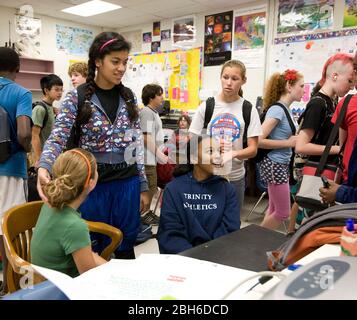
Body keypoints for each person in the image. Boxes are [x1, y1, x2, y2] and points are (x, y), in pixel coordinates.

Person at [37, 32, 149, 260]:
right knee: (93, 250)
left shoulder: (128, 97)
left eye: (125, 62)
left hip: (127, 184)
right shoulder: (76, 98)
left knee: (126, 247)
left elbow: (136, 142)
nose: (121, 68)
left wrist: (143, 184)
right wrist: (44, 165)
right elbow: (57, 137)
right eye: (115, 61)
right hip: (92, 186)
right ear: (98, 61)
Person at [290, 53, 355, 232]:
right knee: (308, 222)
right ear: (335, 75)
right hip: (315, 171)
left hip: (323, 170)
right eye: (349, 80)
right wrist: (338, 150)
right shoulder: (318, 104)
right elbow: (301, 146)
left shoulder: (332, 102)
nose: (352, 86)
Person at [189, 60, 262, 213]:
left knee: (232, 226)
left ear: (243, 81)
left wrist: (233, 153)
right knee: (205, 222)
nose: (228, 83)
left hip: (235, 178)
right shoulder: (207, 106)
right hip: (208, 176)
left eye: (234, 79)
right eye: (225, 77)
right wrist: (210, 150)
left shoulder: (248, 109)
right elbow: (192, 140)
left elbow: (253, 149)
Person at [157, 135, 240, 254]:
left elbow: (230, 230)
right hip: (184, 260)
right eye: (210, 151)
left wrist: (208, 255)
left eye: (219, 151)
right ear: (194, 158)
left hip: (217, 258)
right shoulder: (173, 189)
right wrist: (194, 257)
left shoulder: (227, 190)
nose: (217, 156)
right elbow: (170, 233)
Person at [31, 149, 107, 277]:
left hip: (43, 282)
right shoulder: (75, 226)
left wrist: (110, 268)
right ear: (91, 183)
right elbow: (91, 279)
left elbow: (84, 252)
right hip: (61, 291)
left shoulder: (50, 204)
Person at [0, 47, 32, 295]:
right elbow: (23, 133)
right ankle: (13, 283)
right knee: (11, 227)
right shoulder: (20, 93)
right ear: (17, 68)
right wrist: (29, 148)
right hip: (11, 168)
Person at [258, 69, 304, 230]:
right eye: (301, 86)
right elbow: (259, 140)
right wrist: (288, 143)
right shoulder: (277, 109)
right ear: (289, 87)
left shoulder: (285, 109)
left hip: (279, 163)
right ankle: (252, 241)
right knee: (283, 213)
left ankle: (259, 244)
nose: (304, 90)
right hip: (274, 163)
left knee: (273, 209)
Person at [139, 83, 167, 225]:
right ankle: (143, 215)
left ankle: (146, 212)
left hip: (152, 158)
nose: (162, 97)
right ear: (151, 97)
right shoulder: (147, 112)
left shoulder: (153, 113)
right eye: (160, 94)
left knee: (152, 186)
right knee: (150, 187)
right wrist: (159, 154)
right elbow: (146, 136)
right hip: (146, 159)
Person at [330, 51, 357, 182]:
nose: (352, 85)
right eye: (349, 80)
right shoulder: (345, 104)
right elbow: (343, 147)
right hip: (349, 178)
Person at [31, 74, 63, 167]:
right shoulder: (40, 109)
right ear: (46, 90)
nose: (60, 92)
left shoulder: (51, 108)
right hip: (42, 158)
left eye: (61, 89)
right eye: (56, 89)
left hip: (50, 156)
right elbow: (34, 135)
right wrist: (39, 158)